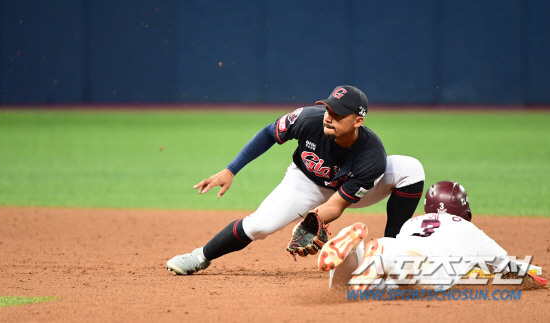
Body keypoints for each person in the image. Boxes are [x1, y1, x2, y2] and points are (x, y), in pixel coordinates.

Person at [166, 85, 425, 275]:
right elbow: (269, 134)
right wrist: (231, 169)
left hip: (354, 188)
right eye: (328, 109)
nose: (329, 116)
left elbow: (337, 205)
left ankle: (390, 252)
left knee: (410, 168)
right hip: (306, 181)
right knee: (259, 227)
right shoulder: (307, 119)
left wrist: (314, 219)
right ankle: (199, 256)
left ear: (358, 121)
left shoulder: (372, 157)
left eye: (338, 115)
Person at [324, 181, 510, 291]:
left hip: (391, 245)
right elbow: (506, 267)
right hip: (422, 261)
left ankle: (354, 252)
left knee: (343, 289)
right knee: (415, 274)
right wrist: (531, 275)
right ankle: (384, 260)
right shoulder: (471, 231)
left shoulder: (412, 222)